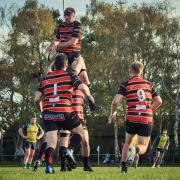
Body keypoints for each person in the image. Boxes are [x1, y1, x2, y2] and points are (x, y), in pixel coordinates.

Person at [34, 53, 100, 174]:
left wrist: (42, 110)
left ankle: (49, 166)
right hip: (64, 112)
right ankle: (67, 150)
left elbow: (37, 99)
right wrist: (91, 99)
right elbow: (83, 87)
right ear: (66, 65)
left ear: (54, 65)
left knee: (51, 143)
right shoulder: (69, 75)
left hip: (48, 114)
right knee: (80, 132)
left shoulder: (46, 78)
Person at [108, 61, 162, 174]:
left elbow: (115, 102)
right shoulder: (149, 84)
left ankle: (123, 166)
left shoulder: (125, 84)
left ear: (130, 71)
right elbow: (159, 101)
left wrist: (112, 113)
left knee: (127, 142)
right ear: (141, 71)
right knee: (143, 146)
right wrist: (148, 110)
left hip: (132, 118)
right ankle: (135, 150)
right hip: (146, 119)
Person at [46, 7, 90, 86]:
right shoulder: (61, 26)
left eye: (69, 16)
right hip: (62, 55)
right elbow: (56, 39)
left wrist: (57, 46)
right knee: (49, 72)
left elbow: (73, 42)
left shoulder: (77, 25)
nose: (66, 17)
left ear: (74, 16)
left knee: (82, 78)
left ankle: (87, 92)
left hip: (74, 54)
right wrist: (51, 46)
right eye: (65, 15)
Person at [59, 86, 93, 172]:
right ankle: (63, 166)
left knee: (85, 143)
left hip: (80, 118)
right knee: (64, 142)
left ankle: (86, 165)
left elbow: (90, 98)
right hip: (67, 117)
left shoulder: (83, 88)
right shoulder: (65, 87)